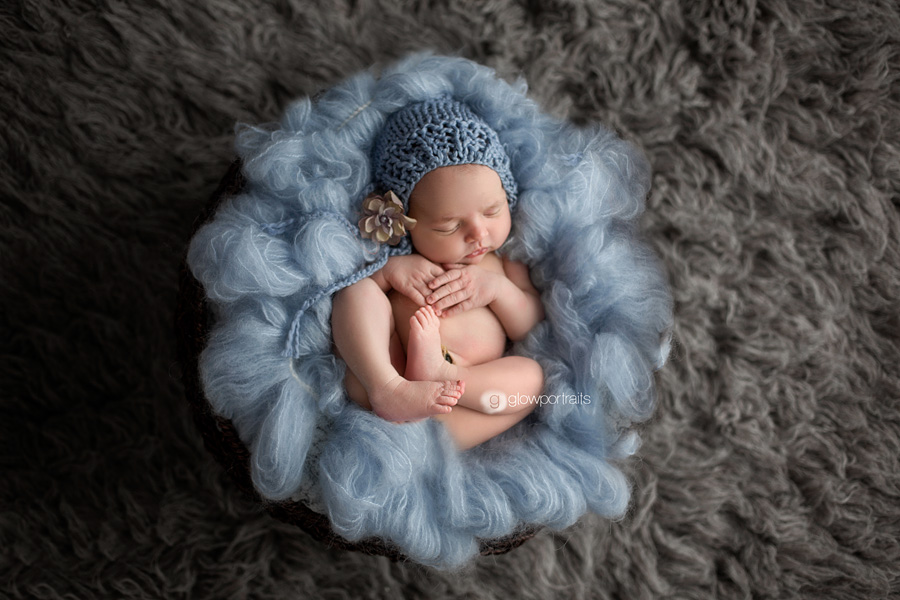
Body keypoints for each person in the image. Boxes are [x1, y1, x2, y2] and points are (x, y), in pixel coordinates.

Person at [331, 97, 544, 449]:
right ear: (407, 225)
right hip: (390, 372)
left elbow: (529, 324)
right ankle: (387, 388)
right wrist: (389, 271)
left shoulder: (505, 262)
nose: (478, 234)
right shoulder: (400, 258)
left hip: (461, 396)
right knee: (355, 292)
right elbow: (360, 297)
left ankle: (440, 389)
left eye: (492, 211)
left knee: (532, 378)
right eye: (449, 226)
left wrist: (498, 290)